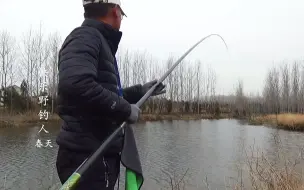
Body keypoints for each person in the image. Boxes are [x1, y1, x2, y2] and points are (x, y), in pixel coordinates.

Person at [55, 0, 166, 189]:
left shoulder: (96, 39)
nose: (121, 19)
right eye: (122, 15)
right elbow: (76, 84)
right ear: (115, 12)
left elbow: (102, 94)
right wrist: (124, 109)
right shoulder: (86, 37)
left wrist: (140, 91)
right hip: (89, 157)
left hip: (97, 155)